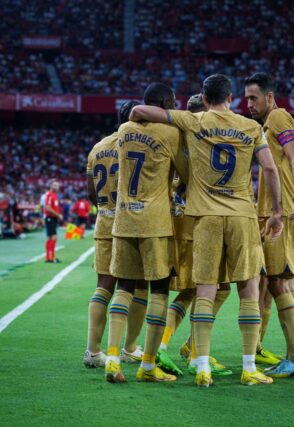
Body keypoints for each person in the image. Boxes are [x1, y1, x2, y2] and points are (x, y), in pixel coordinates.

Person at [130, 74, 283, 387]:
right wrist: (278, 212)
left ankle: (201, 367)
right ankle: (249, 367)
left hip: (205, 218)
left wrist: (134, 113)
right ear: (230, 98)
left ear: (205, 95)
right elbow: (269, 168)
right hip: (242, 215)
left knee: (204, 291)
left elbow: (144, 111)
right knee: (249, 291)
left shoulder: (193, 120)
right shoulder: (251, 127)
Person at [104, 83, 189, 383]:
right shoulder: (170, 133)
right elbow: (186, 174)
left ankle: (112, 358)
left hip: (124, 219)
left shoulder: (125, 129)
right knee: (160, 291)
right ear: (166, 103)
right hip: (155, 222)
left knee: (124, 287)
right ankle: (148, 366)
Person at [156, 93, 233, 378]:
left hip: (179, 218)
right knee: (216, 288)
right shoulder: (205, 135)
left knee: (192, 290)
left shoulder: (176, 134)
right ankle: (191, 350)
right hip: (199, 220)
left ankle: (181, 347)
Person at [244, 72, 294, 377]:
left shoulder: (280, 117)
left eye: (253, 98)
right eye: (246, 98)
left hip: (281, 212)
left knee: (278, 281)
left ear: (269, 97)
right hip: (277, 210)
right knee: (281, 282)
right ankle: (293, 354)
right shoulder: (267, 124)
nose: (248, 104)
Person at [84, 101, 149, 369]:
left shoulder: (98, 147)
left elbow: (91, 194)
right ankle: (130, 348)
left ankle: (92, 351)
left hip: (104, 221)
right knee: (137, 286)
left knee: (104, 286)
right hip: (131, 222)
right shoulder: (138, 145)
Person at [44, 180, 62, 263]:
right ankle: (50, 257)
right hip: (50, 218)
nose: (56, 187)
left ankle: (49, 257)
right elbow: (47, 207)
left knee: (50, 237)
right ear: (51, 186)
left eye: (57, 185)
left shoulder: (55, 195)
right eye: (54, 185)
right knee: (53, 237)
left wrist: (57, 215)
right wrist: (58, 215)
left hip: (53, 218)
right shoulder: (49, 195)